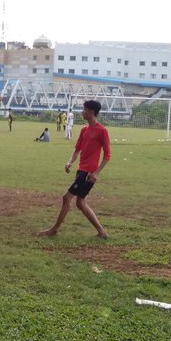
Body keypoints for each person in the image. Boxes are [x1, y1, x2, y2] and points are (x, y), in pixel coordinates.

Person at [38, 100, 111, 238]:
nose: (82, 112)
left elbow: (107, 156)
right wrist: (70, 162)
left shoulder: (102, 131)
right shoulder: (84, 130)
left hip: (88, 173)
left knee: (67, 198)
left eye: (84, 110)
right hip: (81, 170)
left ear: (91, 112)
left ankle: (54, 230)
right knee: (80, 203)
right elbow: (78, 149)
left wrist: (96, 173)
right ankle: (102, 232)